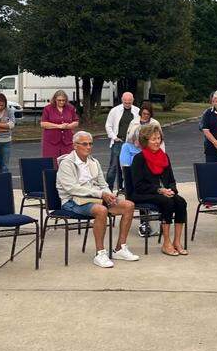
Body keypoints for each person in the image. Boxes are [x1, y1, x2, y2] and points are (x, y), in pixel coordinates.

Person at [56, 131, 138, 268]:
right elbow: (72, 189)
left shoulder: (94, 162)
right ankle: (100, 253)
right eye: (85, 144)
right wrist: (100, 194)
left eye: (90, 144)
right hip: (72, 201)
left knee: (128, 205)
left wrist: (108, 194)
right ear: (75, 146)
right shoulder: (66, 163)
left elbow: (103, 184)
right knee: (101, 210)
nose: (89, 147)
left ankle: (120, 248)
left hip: (94, 198)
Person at [130, 122, 189, 257]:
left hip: (164, 193)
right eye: (153, 139)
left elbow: (172, 180)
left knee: (181, 202)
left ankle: (177, 242)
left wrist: (172, 190)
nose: (157, 142)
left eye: (158, 139)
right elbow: (138, 185)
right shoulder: (139, 159)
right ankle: (166, 243)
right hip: (142, 194)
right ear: (145, 141)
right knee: (167, 202)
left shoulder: (164, 156)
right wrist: (160, 190)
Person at [104, 92, 139, 192]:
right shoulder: (114, 110)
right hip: (118, 142)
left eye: (129, 102)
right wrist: (114, 137)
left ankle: (125, 188)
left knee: (128, 166)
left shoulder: (137, 111)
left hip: (131, 143)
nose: (127, 104)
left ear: (132, 100)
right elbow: (108, 125)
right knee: (113, 167)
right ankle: (108, 190)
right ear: (122, 100)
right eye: (125, 102)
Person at [40, 89, 78, 163]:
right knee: (51, 163)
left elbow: (76, 122)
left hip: (67, 141)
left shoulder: (70, 108)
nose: (61, 102)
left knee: (67, 162)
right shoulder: (48, 108)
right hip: (51, 142)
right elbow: (43, 124)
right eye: (59, 100)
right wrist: (59, 126)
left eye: (63, 100)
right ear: (55, 99)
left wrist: (68, 126)